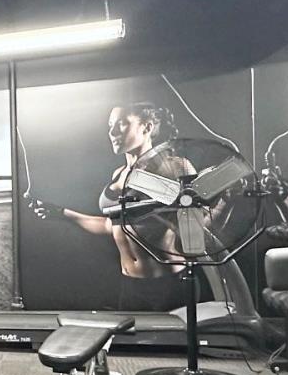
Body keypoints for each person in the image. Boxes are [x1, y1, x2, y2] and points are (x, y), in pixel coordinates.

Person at [27, 104, 197, 281]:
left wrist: (210, 209)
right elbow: (111, 225)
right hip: (130, 282)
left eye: (122, 124)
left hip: (170, 281)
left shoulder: (173, 166)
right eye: (110, 125)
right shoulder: (118, 174)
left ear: (146, 127)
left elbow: (198, 226)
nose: (112, 132)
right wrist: (62, 213)